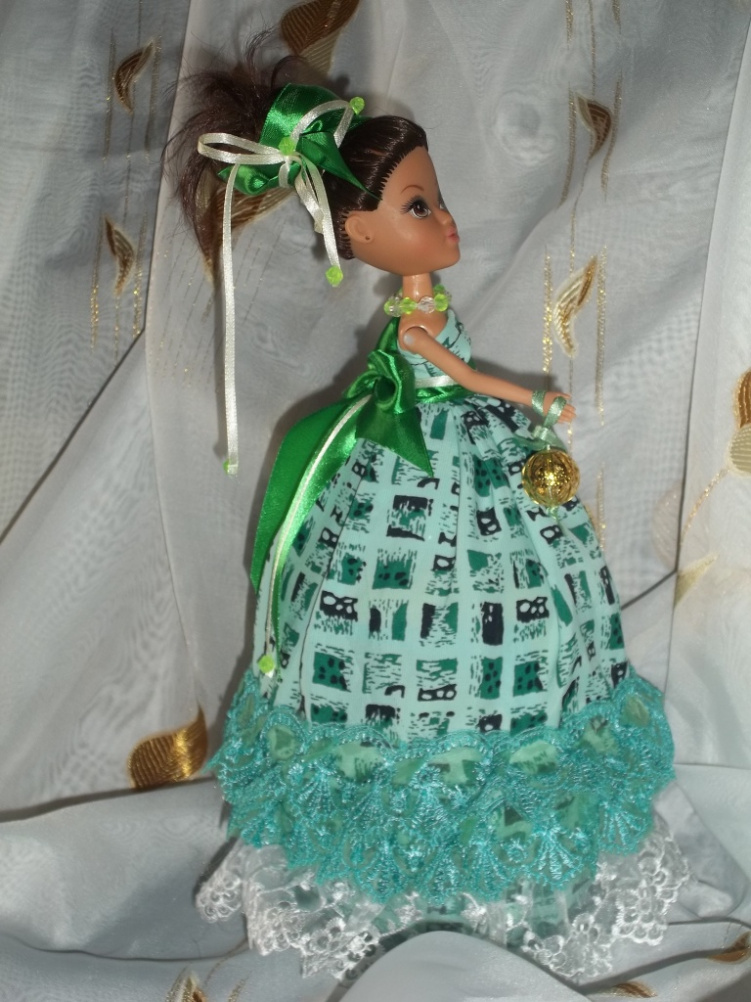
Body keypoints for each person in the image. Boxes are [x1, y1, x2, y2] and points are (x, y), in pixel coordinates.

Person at [171, 49, 687, 982]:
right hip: (417, 456)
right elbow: (458, 374)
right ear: (356, 234)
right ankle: (399, 832)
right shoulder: (413, 323)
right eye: (417, 206)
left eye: (437, 198)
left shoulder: (427, 301)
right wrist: (532, 399)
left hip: (456, 453)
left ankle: (502, 807)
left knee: (512, 592)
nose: (444, 220)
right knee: (391, 601)